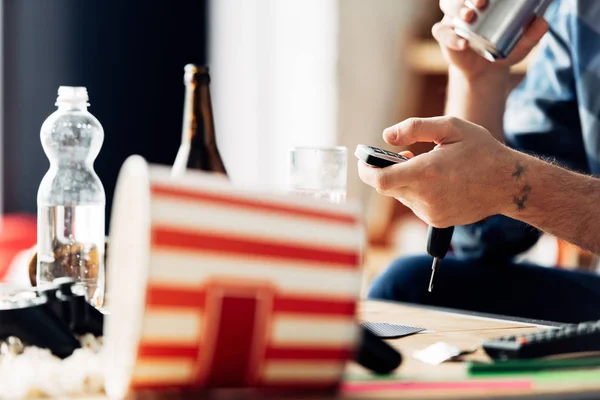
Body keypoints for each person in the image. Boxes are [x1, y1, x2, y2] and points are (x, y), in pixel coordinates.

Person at [358, 0, 600, 324]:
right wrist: (479, 78)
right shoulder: (581, 14)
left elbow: (512, 184)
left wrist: (514, 184)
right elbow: (488, 240)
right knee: (406, 286)